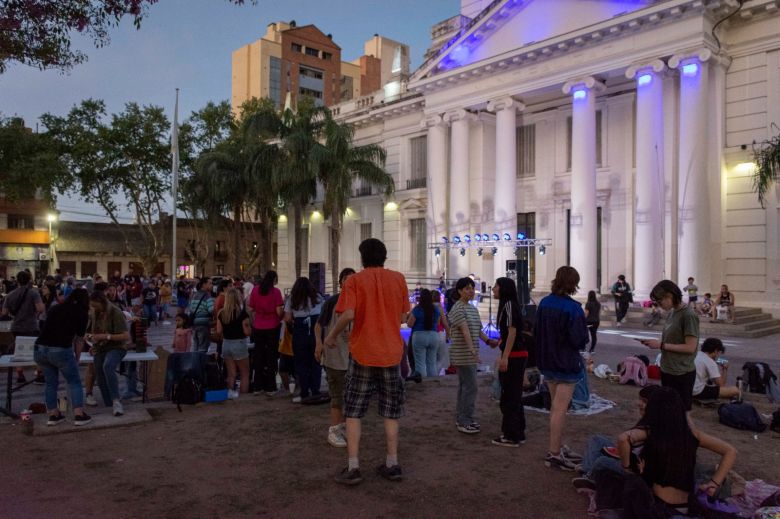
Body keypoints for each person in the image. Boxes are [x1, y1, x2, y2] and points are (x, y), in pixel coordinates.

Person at [324, 238, 410, 485]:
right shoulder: (398, 279)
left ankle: (353, 467)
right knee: (391, 411)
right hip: (391, 353)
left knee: (353, 411)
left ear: (362, 258)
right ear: (385, 256)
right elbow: (405, 315)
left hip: (363, 353)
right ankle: (392, 463)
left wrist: (331, 335)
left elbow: (348, 314)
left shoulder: (354, 281)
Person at [614, 387, 737, 517]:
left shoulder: (652, 432)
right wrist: (714, 484)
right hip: (685, 505)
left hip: (659, 506)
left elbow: (623, 439)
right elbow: (731, 451)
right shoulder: (692, 434)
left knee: (609, 467)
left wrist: (626, 467)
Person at [536, 266, 588, 471]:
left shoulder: (544, 303)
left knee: (555, 408)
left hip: (547, 361)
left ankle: (556, 446)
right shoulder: (573, 308)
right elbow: (579, 340)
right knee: (560, 409)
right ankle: (554, 454)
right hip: (566, 363)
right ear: (573, 283)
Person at [33, 288, 93, 426]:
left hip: (40, 348)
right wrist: (77, 357)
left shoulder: (55, 308)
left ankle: (53, 415)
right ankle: (79, 414)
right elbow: (79, 339)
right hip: (60, 349)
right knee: (74, 381)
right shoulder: (82, 314)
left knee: (50, 383)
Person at [640, 280, 699, 412]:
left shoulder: (688, 315)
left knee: (681, 412)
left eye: (660, 301)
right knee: (668, 410)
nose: (659, 305)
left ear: (669, 296)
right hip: (668, 369)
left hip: (681, 372)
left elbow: (690, 347)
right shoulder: (672, 313)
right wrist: (655, 342)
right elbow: (670, 338)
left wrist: (661, 345)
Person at [448, 276, 496, 435]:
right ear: (460, 291)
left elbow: (477, 330)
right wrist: (473, 351)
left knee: (465, 386)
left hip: (469, 354)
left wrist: (488, 341)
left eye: (472, 288)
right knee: (471, 387)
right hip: (463, 354)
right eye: (467, 288)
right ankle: (465, 420)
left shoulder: (471, 308)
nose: (470, 291)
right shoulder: (458, 308)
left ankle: (462, 417)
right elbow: (465, 331)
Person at [315, 267, 356, 448]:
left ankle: (344, 428)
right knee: (337, 395)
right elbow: (319, 325)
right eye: (347, 279)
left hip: (353, 357)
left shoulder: (359, 302)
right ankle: (334, 430)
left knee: (351, 397)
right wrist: (319, 343)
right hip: (335, 356)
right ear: (340, 283)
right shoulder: (332, 302)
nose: (350, 283)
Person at [491, 277, 528, 447]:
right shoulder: (510, 306)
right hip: (515, 354)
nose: (493, 289)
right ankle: (518, 431)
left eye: (496, 286)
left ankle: (511, 434)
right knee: (513, 395)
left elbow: (512, 332)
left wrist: (505, 356)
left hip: (515, 356)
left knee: (509, 396)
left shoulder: (509, 305)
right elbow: (508, 333)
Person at [87, 290, 130, 417]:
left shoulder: (115, 312)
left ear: (101, 302)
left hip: (116, 347)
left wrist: (106, 336)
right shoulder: (94, 313)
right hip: (99, 348)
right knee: (99, 374)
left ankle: (116, 401)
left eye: (95, 305)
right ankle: (108, 403)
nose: (93, 308)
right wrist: (90, 338)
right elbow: (88, 332)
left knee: (108, 366)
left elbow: (125, 336)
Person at [284, 277, 325, 403]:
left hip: (300, 331)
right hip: (315, 329)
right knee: (316, 361)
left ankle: (304, 392)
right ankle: (316, 390)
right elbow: (324, 314)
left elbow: (287, 318)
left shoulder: (293, 299)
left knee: (302, 363)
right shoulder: (317, 297)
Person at [1, 270, 45, 384]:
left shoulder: (10, 295)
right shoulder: (33, 293)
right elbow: (40, 308)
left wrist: (14, 313)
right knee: (36, 350)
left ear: (17, 280)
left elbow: (4, 312)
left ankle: (20, 375)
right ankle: (39, 374)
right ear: (29, 280)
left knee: (18, 350)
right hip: (31, 326)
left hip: (16, 327)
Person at [248, 271, 285, 395]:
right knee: (271, 357)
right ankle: (270, 386)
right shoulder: (276, 292)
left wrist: (255, 322)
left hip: (258, 325)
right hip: (272, 326)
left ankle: (257, 386)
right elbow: (279, 310)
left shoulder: (255, 290)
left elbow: (251, 308)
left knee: (258, 355)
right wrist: (281, 318)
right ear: (274, 279)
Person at [217, 288, 251, 399]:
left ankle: (230, 393)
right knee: (244, 373)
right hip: (239, 343)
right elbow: (247, 332)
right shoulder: (242, 314)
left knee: (231, 373)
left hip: (226, 344)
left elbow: (218, 331)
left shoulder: (221, 313)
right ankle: (243, 397)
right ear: (237, 298)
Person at [406, 289, 443, 378]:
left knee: (420, 363)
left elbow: (410, 324)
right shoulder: (436, 309)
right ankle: (433, 383)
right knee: (432, 362)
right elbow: (438, 323)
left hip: (419, 336)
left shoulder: (417, 309)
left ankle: (422, 384)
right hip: (434, 336)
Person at [188, 277, 214, 353]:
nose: (212, 285)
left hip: (195, 324)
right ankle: (200, 364)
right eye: (210, 283)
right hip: (204, 324)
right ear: (204, 284)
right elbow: (211, 310)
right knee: (203, 348)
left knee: (196, 347)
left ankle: (195, 363)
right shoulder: (207, 296)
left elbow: (191, 309)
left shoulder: (194, 295)